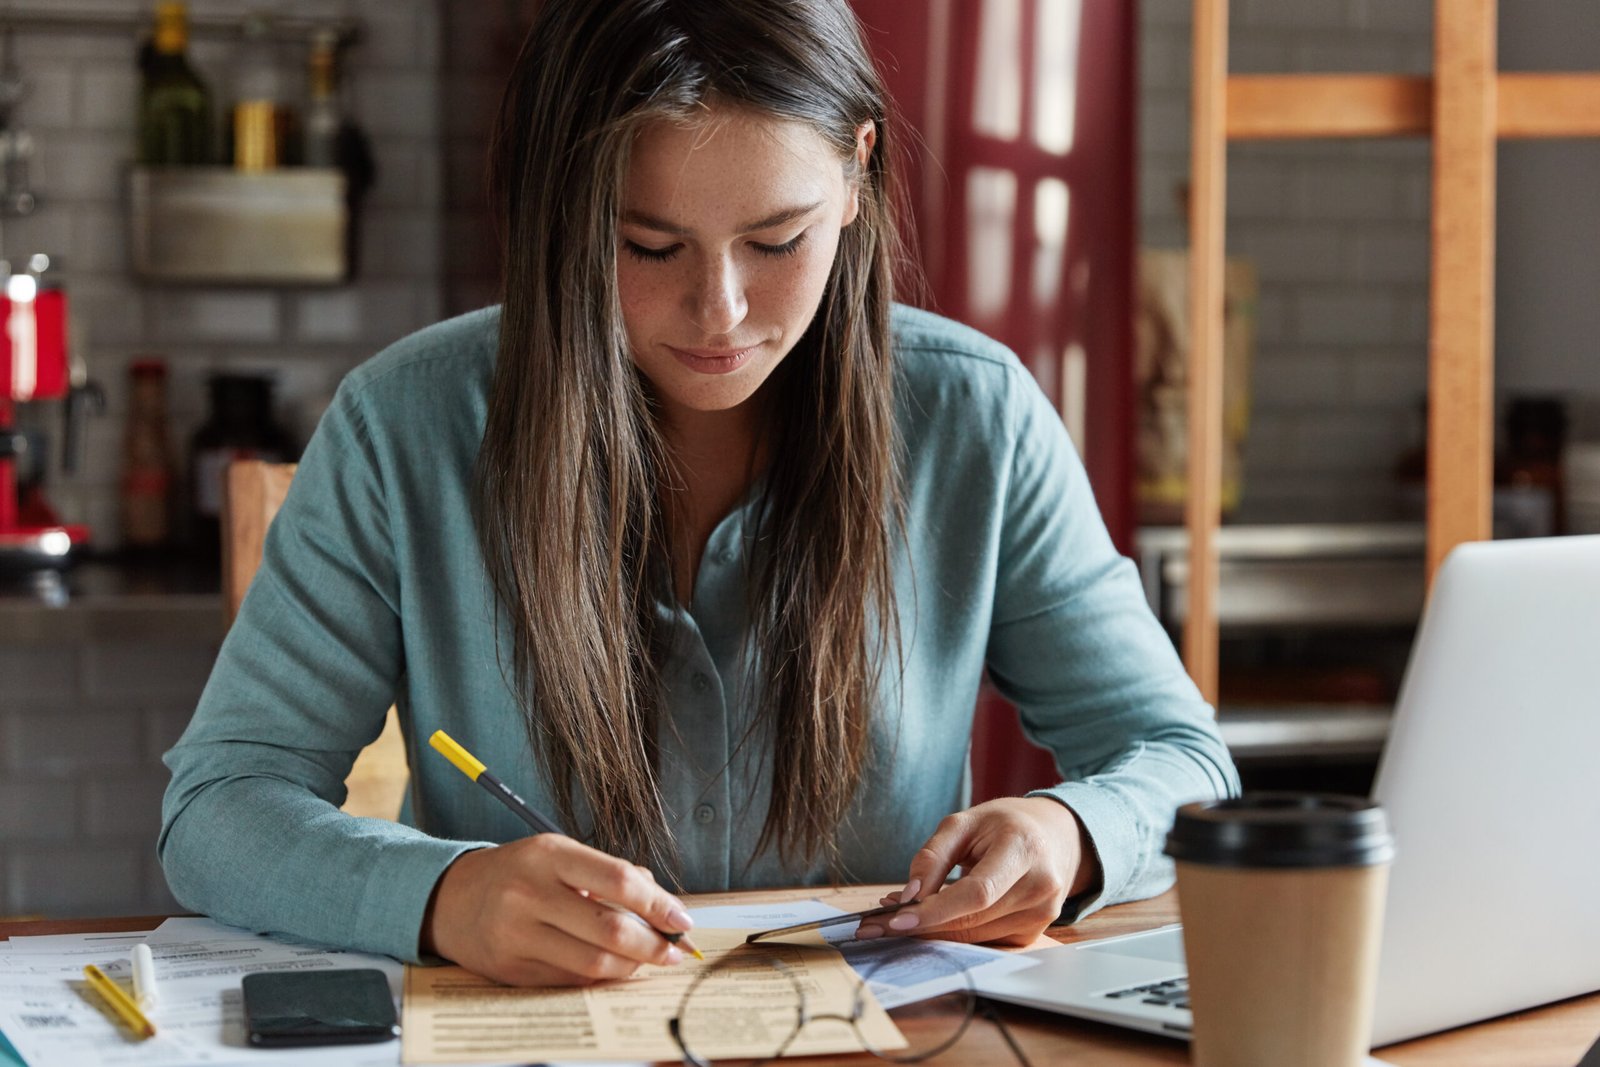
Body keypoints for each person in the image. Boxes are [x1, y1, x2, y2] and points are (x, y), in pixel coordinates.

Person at [160, 0, 1238, 989]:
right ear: (566, 212)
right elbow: (216, 808)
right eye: (648, 245)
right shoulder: (403, 426)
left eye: (777, 241)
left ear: (857, 174)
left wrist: (1070, 832)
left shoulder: (976, 418)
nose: (718, 309)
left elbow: (1186, 764)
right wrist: (444, 895)